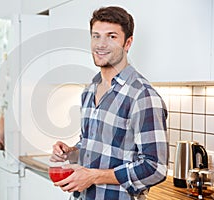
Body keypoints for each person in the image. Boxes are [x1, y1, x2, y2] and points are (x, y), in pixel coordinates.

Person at [50, 6, 168, 200]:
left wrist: (94, 176)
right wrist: (71, 152)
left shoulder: (142, 95)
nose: (101, 44)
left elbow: (154, 167)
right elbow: (94, 145)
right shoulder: (89, 90)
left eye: (111, 36)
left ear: (127, 43)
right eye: (96, 36)